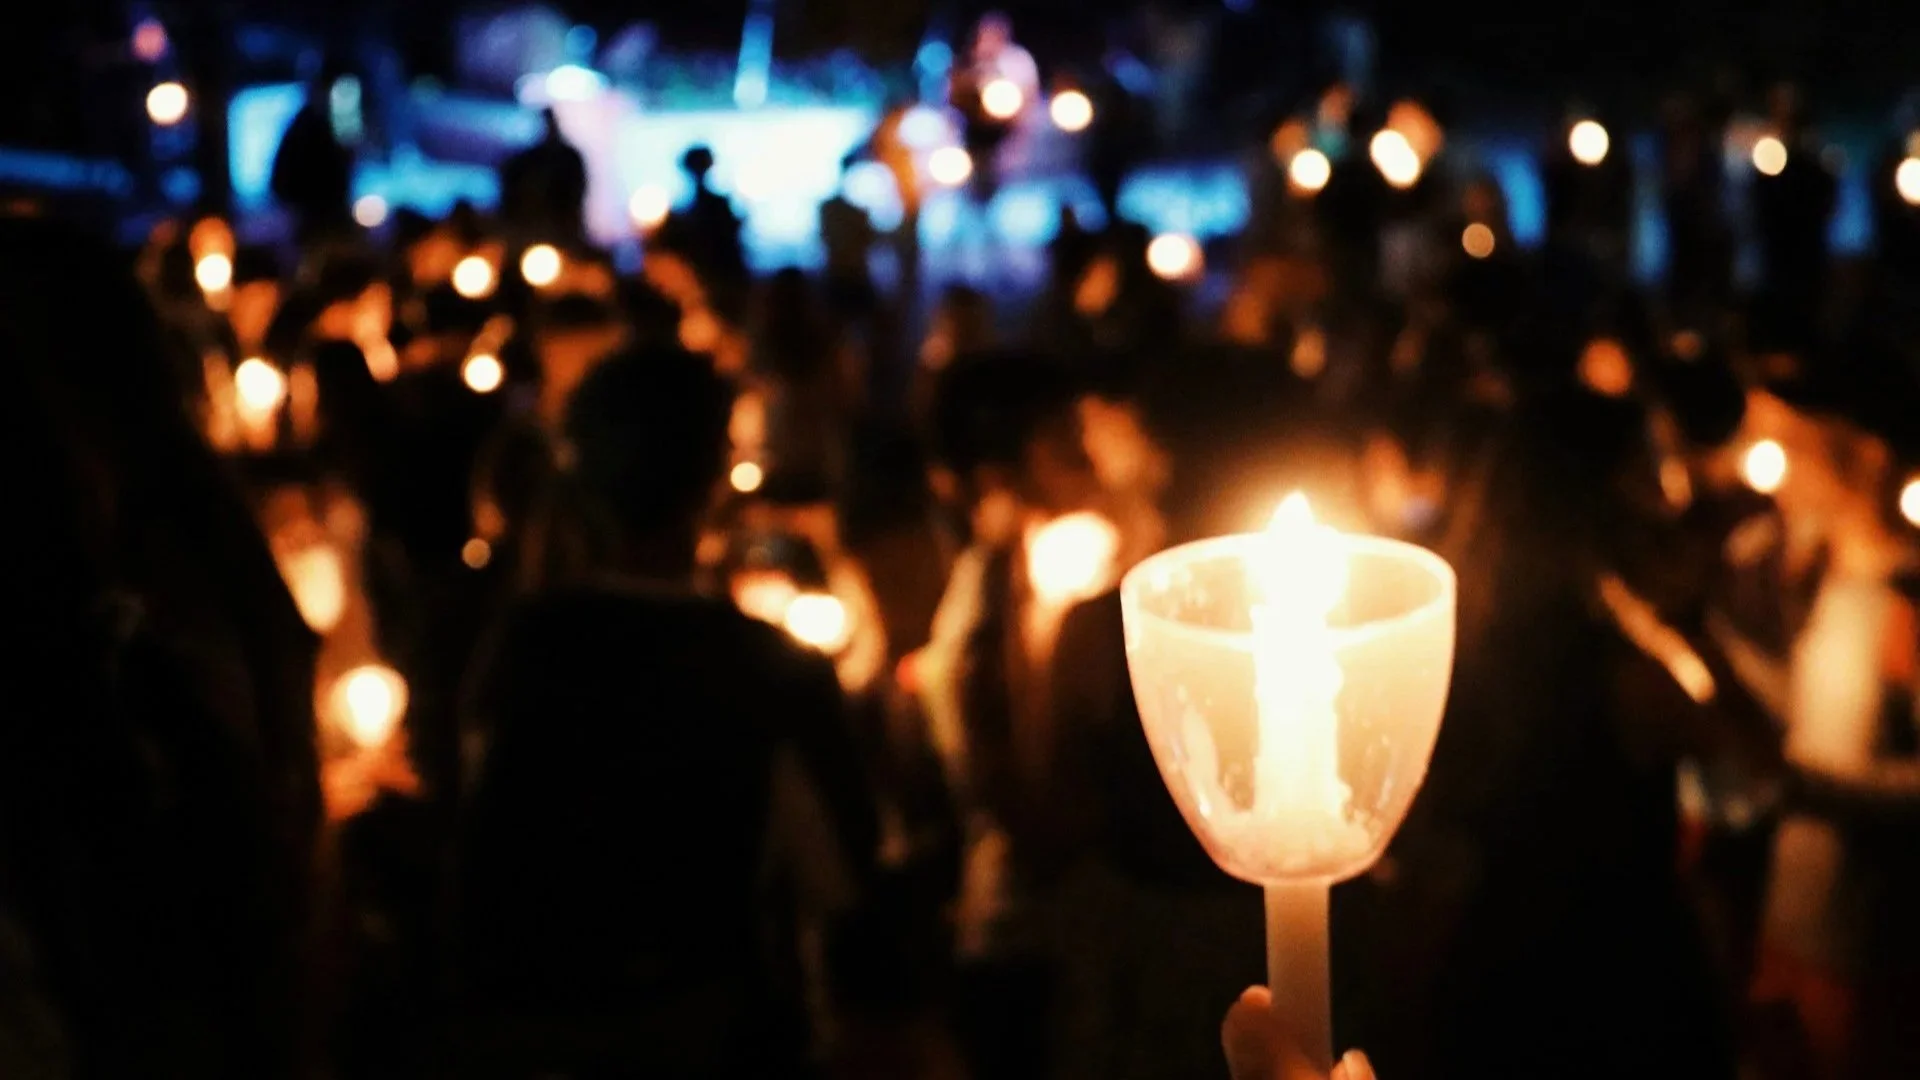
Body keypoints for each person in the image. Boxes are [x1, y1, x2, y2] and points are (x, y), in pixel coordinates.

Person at [454, 343, 877, 1077]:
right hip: (701, 1029)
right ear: (713, 481)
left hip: (525, 1033)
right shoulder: (764, 670)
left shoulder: (519, 644)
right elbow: (840, 878)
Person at [271, 61, 356, 245]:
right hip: (315, 226)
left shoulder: (332, 126)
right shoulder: (304, 128)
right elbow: (280, 181)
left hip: (329, 223)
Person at [498, 108, 589, 243]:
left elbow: (576, 191)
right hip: (526, 231)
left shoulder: (569, 159)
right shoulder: (525, 161)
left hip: (562, 232)